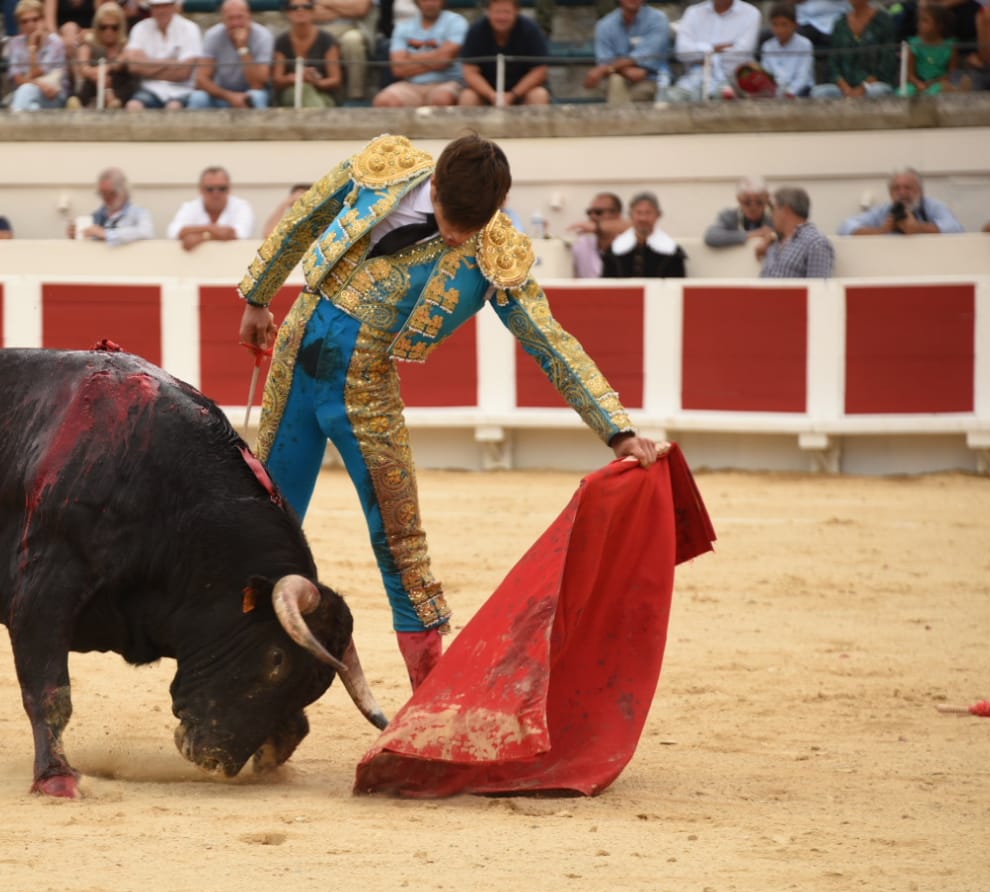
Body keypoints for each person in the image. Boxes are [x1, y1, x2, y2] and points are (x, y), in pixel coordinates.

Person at [236, 133, 658, 690]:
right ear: (432, 185)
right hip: (294, 360)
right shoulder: (385, 167)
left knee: (401, 541)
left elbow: (548, 340)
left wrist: (616, 429)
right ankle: (232, 673)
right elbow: (306, 216)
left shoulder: (496, 249)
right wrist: (257, 296)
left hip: (365, 393)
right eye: (450, 216)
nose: (457, 235)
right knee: (264, 526)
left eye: (473, 225)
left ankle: (430, 693)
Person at [372, 0, 468, 108]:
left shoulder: (456, 22)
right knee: (384, 101)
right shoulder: (403, 27)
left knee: (442, 99)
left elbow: (445, 59)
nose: (430, 3)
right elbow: (398, 69)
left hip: (447, 82)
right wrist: (437, 57)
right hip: (412, 84)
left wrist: (409, 58)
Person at [664, 0, 761, 101]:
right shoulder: (693, 12)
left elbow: (740, 55)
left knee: (723, 98)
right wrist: (713, 49)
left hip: (732, 81)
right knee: (667, 101)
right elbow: (682, 52)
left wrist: (702, 56)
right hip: (691, 81)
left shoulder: (751, 13)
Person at [459, 0, 550, 106]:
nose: (502, 17)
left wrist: (513, 95)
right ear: (488, 12)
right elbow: (470, 72)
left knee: (539, 95)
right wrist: (492, 95)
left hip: (522, 92)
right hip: (486, 92)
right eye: (497, 12)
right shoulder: (476, 31)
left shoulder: (531, 30)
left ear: (517, 12)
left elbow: (540, 71)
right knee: (468, 97)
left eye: (507, 12)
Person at [583, 0, 672, 104]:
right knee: (615, 81)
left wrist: (608, 69)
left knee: (639, 93)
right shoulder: (604, 24)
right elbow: (604, 61)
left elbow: (644, 58)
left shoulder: (658, 19)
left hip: (651, 79)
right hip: (614, 77)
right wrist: (622, 70)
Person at [188, 0, 272, 109]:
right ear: (223, 20)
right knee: (198, 98)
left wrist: (242, 48)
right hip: (222, 94)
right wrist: (230, 96)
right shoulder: (213, 36)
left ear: (249, 16)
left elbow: (257, 84)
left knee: (256, 96)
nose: (235, 23)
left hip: (250, 93)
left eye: (240, 17)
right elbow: (201, 80)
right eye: (230, 18)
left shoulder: (263, 36)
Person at [123, 0, 202, 110]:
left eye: (165, 6)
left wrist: (148, 65)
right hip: (149, 89)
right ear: (150, 8)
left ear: (174, 6)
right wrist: (172, 63)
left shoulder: (190, 28)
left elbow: (184, 72)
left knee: (174, 107)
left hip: (181, 91)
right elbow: (134, 66)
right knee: (133, 106)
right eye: (156, 7)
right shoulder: (140, 28)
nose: (161, 11)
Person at [810, 0, 897, 99]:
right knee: (820, 93)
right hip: (844, 88)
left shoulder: (883, 21)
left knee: (877, 91)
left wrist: (863, 87)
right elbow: (833, 62)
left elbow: (887, 62)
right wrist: (845, 88)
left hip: (874, 85)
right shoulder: (840, 24)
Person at [837, 168, 963, 234]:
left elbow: (956, 228)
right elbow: (845, 227)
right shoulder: (884, 211)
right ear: (890, 193)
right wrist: (882, 230)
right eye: (896, 189)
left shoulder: (932, 206)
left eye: (908, 188)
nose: (902, 193)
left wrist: (919, 228)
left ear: (920, 191)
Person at [272, 0, 342, 108]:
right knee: (305, 89)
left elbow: (335, 79)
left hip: (322, 93)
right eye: (294, 7)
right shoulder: (282, 41)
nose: (300, 10)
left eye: (306, 6)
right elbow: (277, 80)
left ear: (313, 11)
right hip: (291, 92)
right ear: (288, 13)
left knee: (322, 102)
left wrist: (316, 82)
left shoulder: (327, 40)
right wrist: (296, 77)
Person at [167, 166, 255, 250]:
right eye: (210, 189)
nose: (216, 193)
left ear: (229, 189)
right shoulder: (190, 207)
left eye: (222, 188)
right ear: (200, 190)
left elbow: (239, 234)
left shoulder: (242, 206)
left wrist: (202, 236)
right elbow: (173, 232)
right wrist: (210, 229)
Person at [601, 192, 687, 277]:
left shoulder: (672, 251)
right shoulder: (614, 250)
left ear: (658, 215)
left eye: (648, 213)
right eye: (639, 213)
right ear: (631, 215)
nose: (643, 218)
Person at [758, 186, 836, 278]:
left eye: (773, 209)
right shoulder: (775, 242)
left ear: (785, 210)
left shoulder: (816, 243)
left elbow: (818, 288)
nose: (771, 215)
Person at [3, 0, 68, 109]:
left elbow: (38, 73)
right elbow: (17, 79)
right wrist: (39, 84)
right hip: (26, 94)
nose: (30, 25)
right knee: (32, 107)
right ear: (19, 25)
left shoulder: (55, 43)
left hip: (53, 96)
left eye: (35, 19)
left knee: (27, 89)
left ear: (43, 20)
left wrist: (31, 48)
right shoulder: (14, 44)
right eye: (25, 21)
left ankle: (13, 123)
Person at [70, 1, 136, 108]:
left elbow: (118, 63)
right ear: (97, 27)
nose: (108, 31)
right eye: (103, 27)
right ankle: (76, 102)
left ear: (121, 27)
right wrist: (98, 77)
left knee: (122, 77)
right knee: (89, 81)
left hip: (117, 86)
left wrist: (103, 71)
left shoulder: (126, 45)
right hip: (94, 84)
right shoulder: (89, 42)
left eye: (114, 27)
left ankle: (115, 103)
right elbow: (83, 68)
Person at [67, 166, 155, 245]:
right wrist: (77, 235)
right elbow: (90, 242)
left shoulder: (139, 213)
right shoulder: (97, 216)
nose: (106, 198)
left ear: (124, 192)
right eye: (102, 194)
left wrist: (107, 234)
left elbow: (146, 233)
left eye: (111, 193)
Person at [304, 0, 373, 101]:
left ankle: (356, 96)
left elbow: (360, 8)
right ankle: (313, 92)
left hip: (352, 28)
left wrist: (326, 3)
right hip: (318, 27)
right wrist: (344, 8)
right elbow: (306, 11)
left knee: (353, 40)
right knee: (312, 38)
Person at [704, 176, 774, 252]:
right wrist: (753, 234)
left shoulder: (774, 217)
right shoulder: (729, 216)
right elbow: (711, 236)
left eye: (759, 202)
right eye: (747, 202)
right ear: (739, 199)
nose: (753, 207)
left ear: (767, 199)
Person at [758, 2, 815, 96]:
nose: (780, 30)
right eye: (775, 25)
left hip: (801, 92)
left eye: (784, 24)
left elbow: (802, 77)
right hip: (775, 93)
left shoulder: (805, 44)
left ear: (795, 25)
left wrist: (790, 93)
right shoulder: (767, 46)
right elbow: (767, 75)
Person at [567, 191, 626, 278]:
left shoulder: (629, 243)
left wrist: (598, 228)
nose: (593, 216)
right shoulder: (581, 243)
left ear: (617, 215)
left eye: (598, 212)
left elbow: (638, 227)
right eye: (590, 212)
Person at [898, 2, 955, 95]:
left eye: (925, 21)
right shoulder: (913, 44)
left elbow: (952, 73)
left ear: (939, 25)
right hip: (917, 84)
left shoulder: (950, 46)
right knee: (904, 93)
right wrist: (918, 83)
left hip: (939, 84)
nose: (920, 24)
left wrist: (934, 82)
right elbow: (909, 74)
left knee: (939, 90)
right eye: (919, 21)